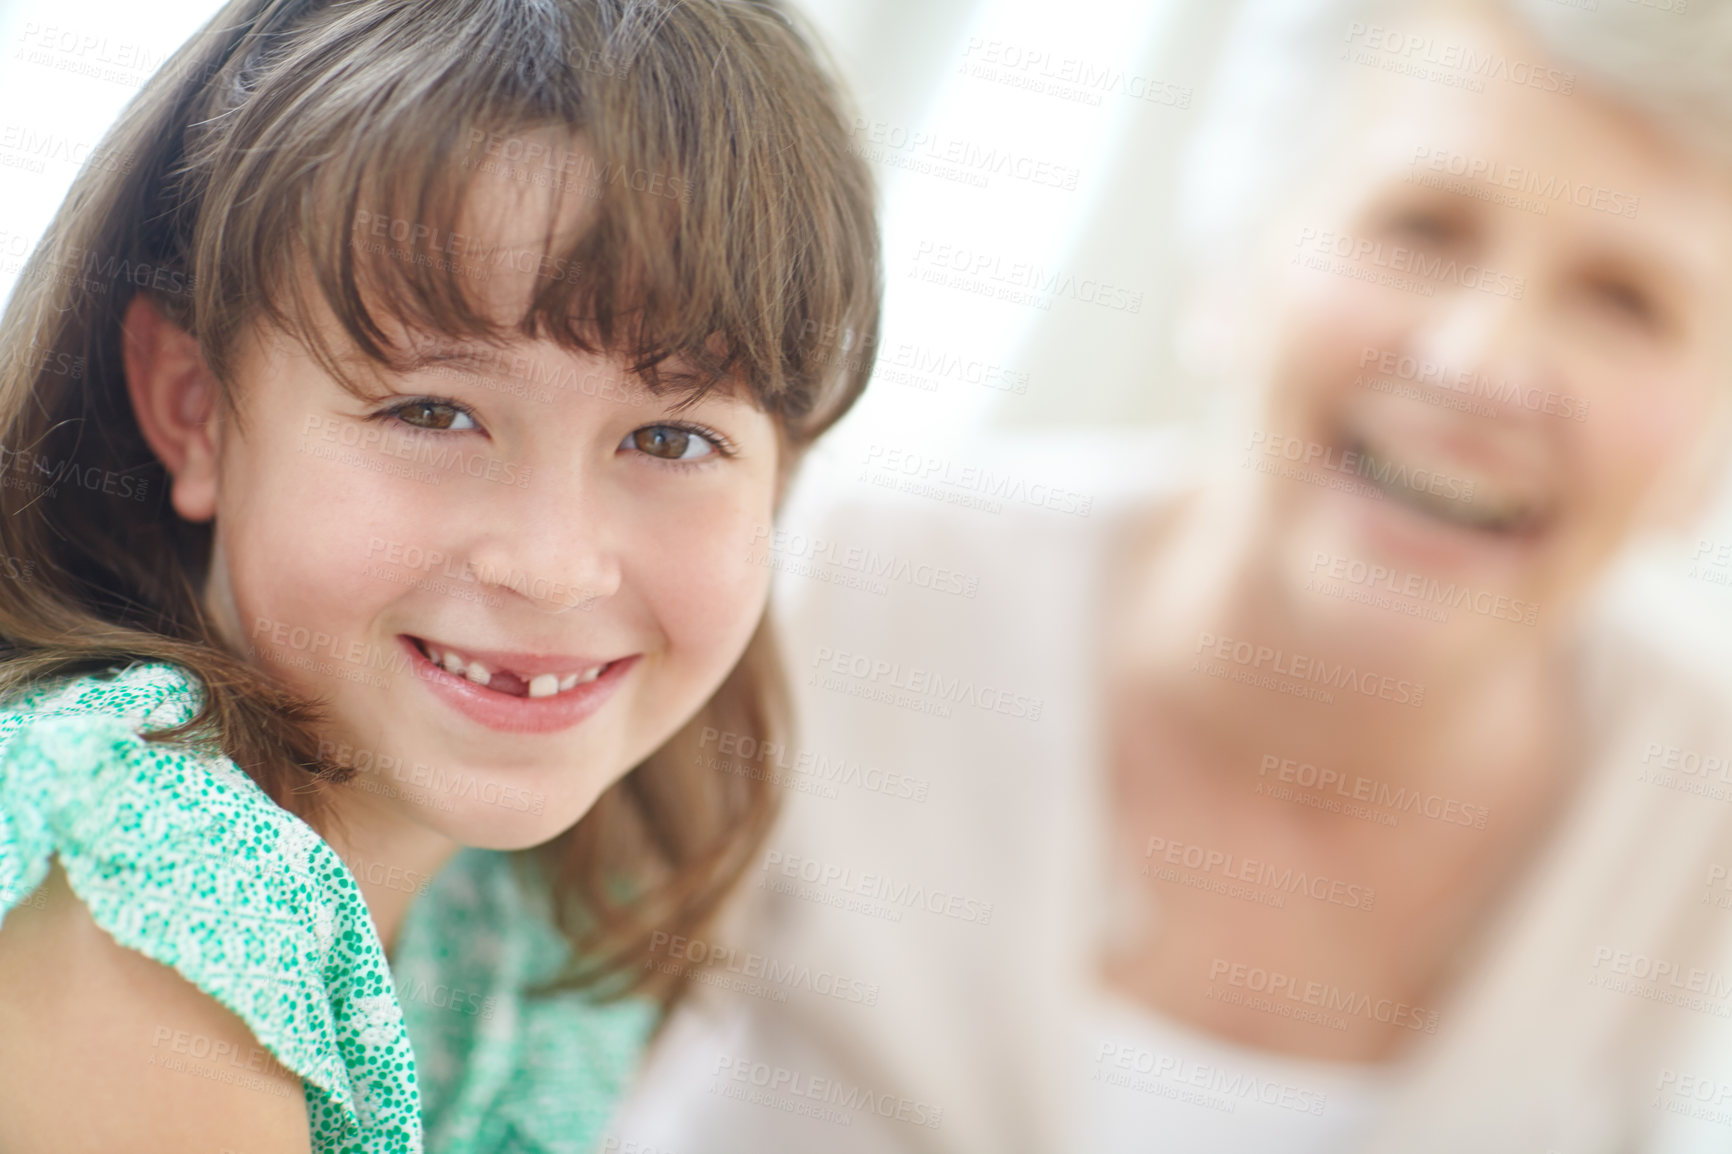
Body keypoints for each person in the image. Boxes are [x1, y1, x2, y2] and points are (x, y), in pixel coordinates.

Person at [605, 0, 1732, 1150]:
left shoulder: (1701, 831)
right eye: (1425, 227)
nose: (1481, 363)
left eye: (1626, 303)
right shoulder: (835, 588)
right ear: (1235, 267)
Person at [0, 0, 879, 1150]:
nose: (554, 565)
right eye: (432, 411)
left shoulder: (539, 921)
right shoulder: (141, 857)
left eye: (670, 439)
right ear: (196, 406)